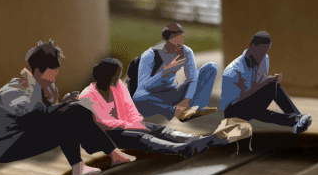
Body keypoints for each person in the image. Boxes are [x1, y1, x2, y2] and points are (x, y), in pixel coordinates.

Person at [0, 40, 135, 175]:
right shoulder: (14, 90)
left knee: (77, 110)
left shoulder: (42, 87)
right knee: (70, 115)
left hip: (27, 135)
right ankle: (81, 166)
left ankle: (112, 154)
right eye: (48, 78)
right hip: (9, 147)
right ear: (37, 71)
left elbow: (46, 117)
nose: (51, 82)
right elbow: (33, 118)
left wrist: (64, 104)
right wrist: (63, 106)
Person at [79, 58, 223, 158]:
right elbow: (102, 123)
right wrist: (130, 125)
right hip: (101, 136)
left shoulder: (117, 87)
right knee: (143, 137)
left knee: (159, 129)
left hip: (125, 125)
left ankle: (197, 140)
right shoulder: (88, 96)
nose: (116, 79)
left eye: (117, 75)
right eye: (113, 76)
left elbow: (129, 109)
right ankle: (182, 148)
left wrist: (135, 122)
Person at [220, 31, 312, 132]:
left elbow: (258, 84)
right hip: (233, 110)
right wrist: (264, 83)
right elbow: (239, 98)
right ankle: (296, 120)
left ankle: (298, 118)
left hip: (250, 104)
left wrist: (269, 80)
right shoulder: (233, 70)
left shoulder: (264, 59)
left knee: (273, 85)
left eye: (266, 50)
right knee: (257, 111)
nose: (263, 54)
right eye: (261, 51)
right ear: (252, 47)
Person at [132, 22, 218, 122]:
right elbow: (145, 86)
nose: (179, 45)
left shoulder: (186, 51)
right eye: (175, 41)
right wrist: (166, 71)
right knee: (138, 97)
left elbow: (192, 78)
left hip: (173, 92)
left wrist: (187, 100)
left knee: (211, 67)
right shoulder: (149, 56)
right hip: (155, 95)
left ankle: (195, 108)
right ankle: (174, 111)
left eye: (181, 40)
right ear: (164, 40)